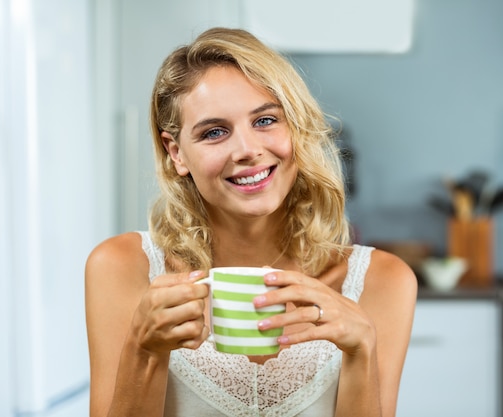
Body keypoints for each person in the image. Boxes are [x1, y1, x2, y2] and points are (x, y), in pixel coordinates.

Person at [85, 27, 417, 417]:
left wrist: (362, 350)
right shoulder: (122, 268)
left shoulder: (383, 280)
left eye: (265, 121)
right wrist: (144, 348)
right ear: (176, 153)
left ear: (295, 127)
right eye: (214, 132)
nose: (247, 150)